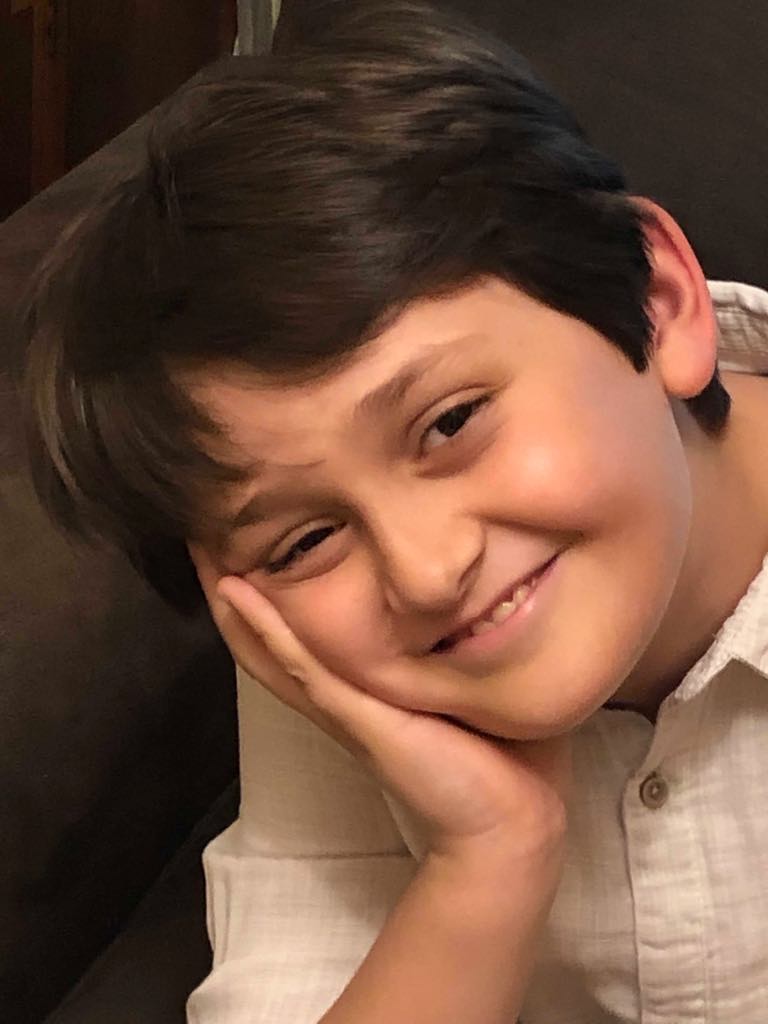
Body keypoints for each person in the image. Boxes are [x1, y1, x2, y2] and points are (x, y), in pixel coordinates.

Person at [20, 1, 768, 1020]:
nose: (423, 572)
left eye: (451, 421)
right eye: (308, 537)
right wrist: (490, 858)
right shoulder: (332, 643)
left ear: (656, 301)